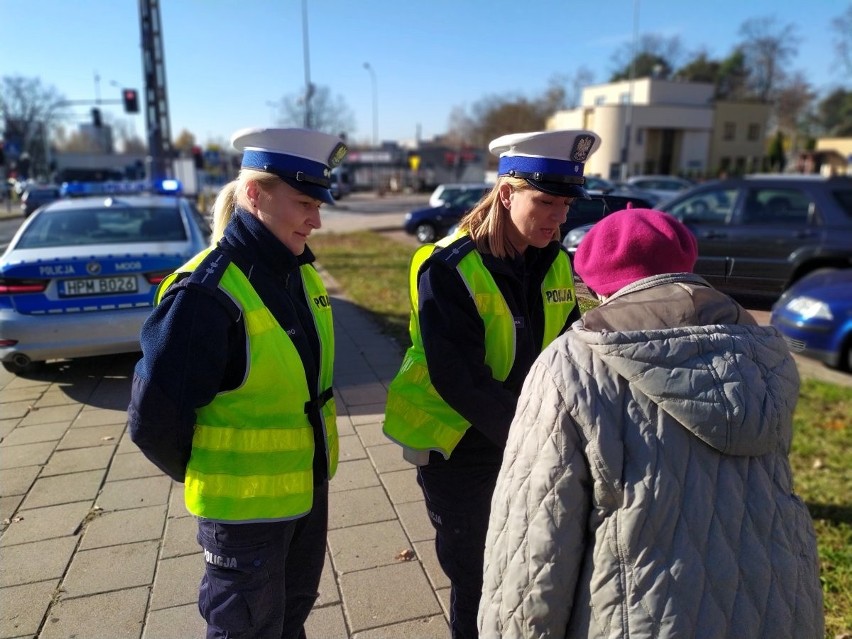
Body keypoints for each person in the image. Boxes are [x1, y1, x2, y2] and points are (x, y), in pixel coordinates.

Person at [478, 208, 825, 638]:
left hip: (643, 616)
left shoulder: (570, 367)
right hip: (777, 605)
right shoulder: (764, 356)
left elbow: (533, 539)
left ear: (598, 285)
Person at [128, 127, 348, 639]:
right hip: (244, 518)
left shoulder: (297, 272)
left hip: (305, 494)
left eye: (319, 203)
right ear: (254, 194)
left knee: (290, 618)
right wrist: (212, 469)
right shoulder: (204, 295)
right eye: (302, 202)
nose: (316, 219)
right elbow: (152, 419)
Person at [384, 130, 603, 638]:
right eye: (546, 201)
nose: (559, 217)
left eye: (567, 203)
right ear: (506, 193)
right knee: (478, 577)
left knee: (526, 568)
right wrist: (540, 441)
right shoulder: (446, 266)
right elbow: (459, 379)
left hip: (523, 438)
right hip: (458, 445)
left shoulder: (553, 259)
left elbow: (569, 348)